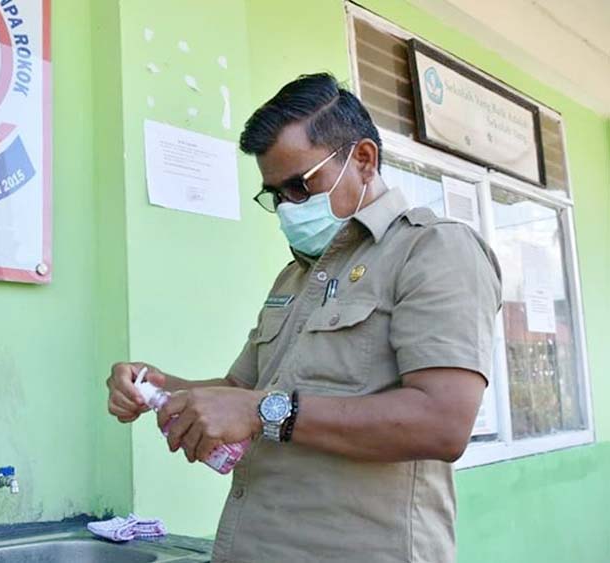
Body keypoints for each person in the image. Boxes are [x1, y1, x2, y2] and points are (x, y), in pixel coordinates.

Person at [106, 73, 502, 563]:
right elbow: (240, 388)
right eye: (275, 195)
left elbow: (443, 423)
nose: (287, 209)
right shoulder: (297, 276)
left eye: (300, 186)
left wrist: (262, 412)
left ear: (362, 160)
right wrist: (160, 386)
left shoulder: (433, 250)